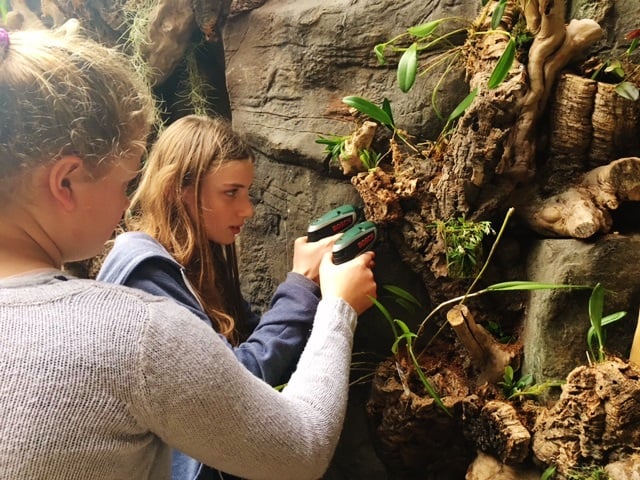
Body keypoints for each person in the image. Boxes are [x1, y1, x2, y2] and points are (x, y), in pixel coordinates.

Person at [0, 25, 377, 480]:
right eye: (124, 183)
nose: (127, 203)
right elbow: (298, 444)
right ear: (65, 182)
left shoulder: (193, 269)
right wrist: (334, 306)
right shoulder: (138, 326)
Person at [97, 114, 345, 479]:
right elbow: (233, 382)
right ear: (177, 189)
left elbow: (249, 341)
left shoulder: (198, 263)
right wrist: (300, 287)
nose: (247, 209)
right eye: (231, 192)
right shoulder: (145, 274)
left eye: (247, 192)